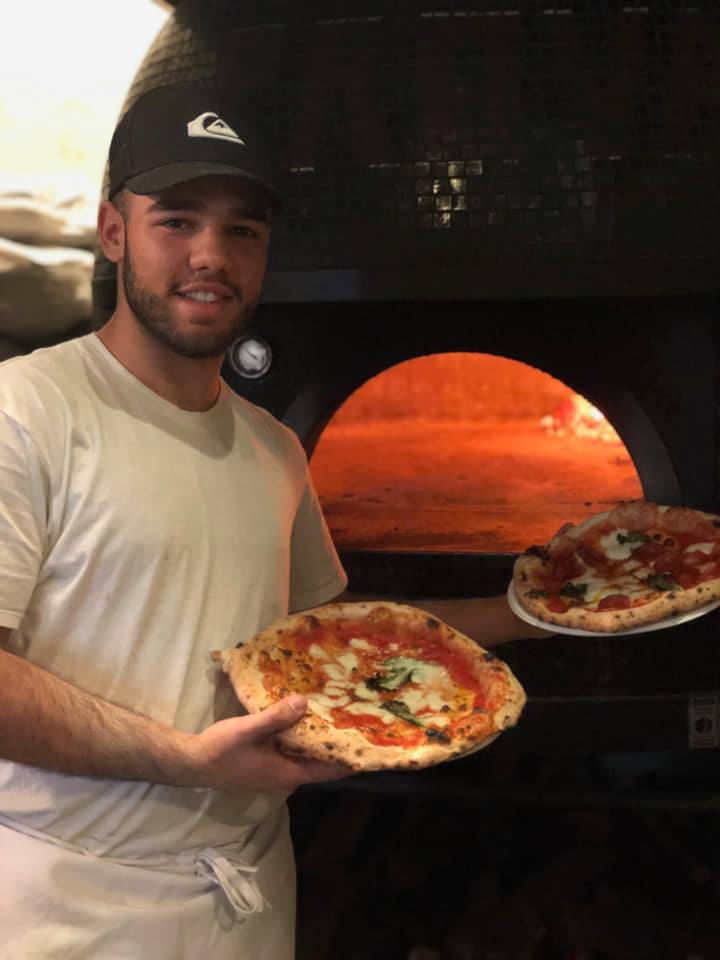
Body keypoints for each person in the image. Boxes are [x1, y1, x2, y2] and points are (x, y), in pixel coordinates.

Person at [0, 82, 546, 958]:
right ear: (113, 232)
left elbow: (343, 637)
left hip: (247, 895)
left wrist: (541, 613)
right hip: (74, 905)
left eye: (241, 230)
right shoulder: (26, 409)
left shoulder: (272, 448)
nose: (210, 254)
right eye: (176, 220)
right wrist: (186, 760)